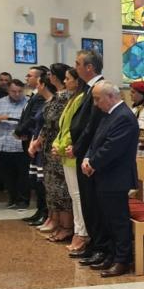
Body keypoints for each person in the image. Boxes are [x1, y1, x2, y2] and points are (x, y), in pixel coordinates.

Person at [82, 81, 139, 277]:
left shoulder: (124, 117)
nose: (95, 103)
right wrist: (88, 158)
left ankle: (123, 260)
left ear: (111, 97)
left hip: (116, 176)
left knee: (118, 221)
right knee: (107, 219)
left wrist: (93, 163)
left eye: (97, 99)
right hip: (105, 174)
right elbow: (96, 141)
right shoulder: (109, 114)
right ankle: (112, 254)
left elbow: (112, 147)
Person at [68, 50, 108, 265]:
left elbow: (92, 126)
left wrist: (77, 148)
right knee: (86, 202)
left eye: (78, 64)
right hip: (83, 153)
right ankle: (94, 244)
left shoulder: (99, 88)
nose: (75, 68)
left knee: (93, 203)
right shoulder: (88, 88)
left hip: (89, 155)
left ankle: (100, 246)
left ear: (89, 67)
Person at [32, 64, 74, 242]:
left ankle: (66, 227)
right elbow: (46, 125)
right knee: (51, 188)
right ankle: (56, 222)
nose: (48, 77)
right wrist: (38, 141)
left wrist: (39, 140)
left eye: (50, 74)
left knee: (60, 190)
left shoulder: (65, 97)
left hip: (59, 148)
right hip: (50, 147)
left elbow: (53, 123)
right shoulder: (57, 96)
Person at [53, 68, 89, 253]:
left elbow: (75, 129)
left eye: (68, 79)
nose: (65, 81)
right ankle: (78, 230)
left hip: (72, 153)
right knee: (73, 196)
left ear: (77, 80)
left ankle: (82, 233)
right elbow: (62, 128)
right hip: (65, 152)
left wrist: (61, 147)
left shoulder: (81, 98)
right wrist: (56, 144)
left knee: (77, 196)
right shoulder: (72, 98)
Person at [16, 66, 48, 224]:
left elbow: (35, 118)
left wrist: (20, 130)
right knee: (35, 179)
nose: (26, 78)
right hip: (30, 139)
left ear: (39, 79)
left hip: (36, 141)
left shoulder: (41, 97)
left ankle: (44, 212)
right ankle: (40, 210)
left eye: (30, 75)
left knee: (40, 180)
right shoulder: (34, 95)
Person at [0, 80, 29, 209]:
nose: (17, 94)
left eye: (20, 91)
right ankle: (12, 198)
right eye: (14, 91)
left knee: (23, 175)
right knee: (6, 175)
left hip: (21, 146)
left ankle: (23, 200)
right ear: (8, 90)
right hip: (2, 145)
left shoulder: (28, 102)